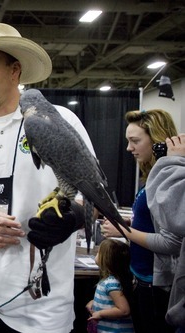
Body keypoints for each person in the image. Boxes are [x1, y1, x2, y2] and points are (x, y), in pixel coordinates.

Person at [0, 23, 95, 332]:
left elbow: (88, 194)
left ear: (15, 71)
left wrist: (72, 217)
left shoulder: (60, 120)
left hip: (41, 312)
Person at [101, 109, 179, 333]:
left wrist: (122, 230)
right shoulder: (155, 176)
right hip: (143, 279)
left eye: (135, 141)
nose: (129, 148)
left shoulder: (168, 181)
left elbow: (170, 243)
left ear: (156, 141)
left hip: (157, 286)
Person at [145, 133, 185, 332]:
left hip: (159, 280)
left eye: (135, 141)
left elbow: (175, 216)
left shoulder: (169, 170)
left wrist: (172, 161)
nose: (129, 148)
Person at [86, 239, 134, 332]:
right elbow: (110, 300)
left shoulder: (111, 283)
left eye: (98, 252)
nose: (96, 254)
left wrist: (100, 313)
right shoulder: (109, 280)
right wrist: (94, 302)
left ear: (106, 259)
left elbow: (124, 310)